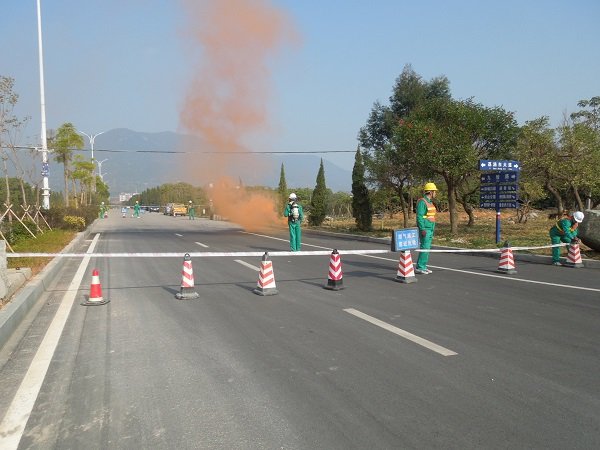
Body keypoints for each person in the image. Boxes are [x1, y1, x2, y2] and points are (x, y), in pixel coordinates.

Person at [415, 182, 438, 274]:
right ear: (431, 192)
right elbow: (419, 217)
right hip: (425, 229)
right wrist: (422, 229)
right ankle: (420, 267)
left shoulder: (430, 202)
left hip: (430, 228)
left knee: (427, 248)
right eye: (435, 191)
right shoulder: (422, 202)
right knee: (424, 247)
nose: (435, 193)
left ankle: (423, 266)